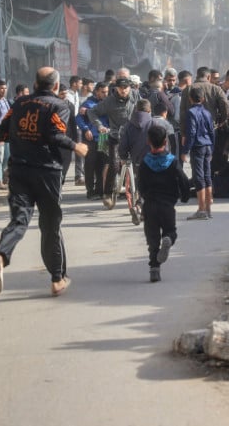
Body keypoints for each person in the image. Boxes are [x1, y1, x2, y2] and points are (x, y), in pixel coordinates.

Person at [0, 67, 85, 297]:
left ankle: (1, 254)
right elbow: (55, 134)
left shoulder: (18, 104)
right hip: (46, 172)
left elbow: (2, 133)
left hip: (19, 170)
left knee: (20, 219)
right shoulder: (59, 106)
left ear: (34, 84)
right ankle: (57, 278)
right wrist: (75, 146)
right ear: (55, 86)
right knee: (50, 225)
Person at [138, 125, 190, 282]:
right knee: (170, 231)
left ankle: (154, 269)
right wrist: (185, 196)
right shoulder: (172, 161)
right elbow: (183, 180)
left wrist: (143, 198)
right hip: (167, 205)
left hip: (150, 206)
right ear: (166, 141)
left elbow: (141, 186)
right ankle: (168, 239)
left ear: (148, 141)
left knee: (152, 239)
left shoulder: (144, 163)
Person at [87, 77, 138, 209]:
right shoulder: (109, 101)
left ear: (130, 88)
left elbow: (144, 109)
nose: (123, 90)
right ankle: (108, 194)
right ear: (116, 88)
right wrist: (99, 126)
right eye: (121, 88)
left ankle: (139, 192)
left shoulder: (135, 96)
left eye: (126, 88)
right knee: (114, 165)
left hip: (132, 136)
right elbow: (92, 112)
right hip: (115, 136)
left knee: (140, 163)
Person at [181, 87, 215, 220]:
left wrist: (185, 151)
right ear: (203, 99)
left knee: (199, 177)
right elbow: (212, 132)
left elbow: (192, 133)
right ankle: (208, 208)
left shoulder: (191, 113)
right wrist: (212, 148)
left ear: (190, 99)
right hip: (207, 145)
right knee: (207, 176)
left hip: (198, 147)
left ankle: (201, 209)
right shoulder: (207, 112)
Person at [76, 82, 109, 200]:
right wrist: (85, 129)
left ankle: (100, 189)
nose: (106, 94)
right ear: (97, 92)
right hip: (91, 138)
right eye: (103, 92)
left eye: (107, 92)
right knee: (90, 164)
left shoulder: (107, 104)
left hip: (104, 138)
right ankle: (90, 190)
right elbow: (78, 118)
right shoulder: (88, 103)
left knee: (103, 164)